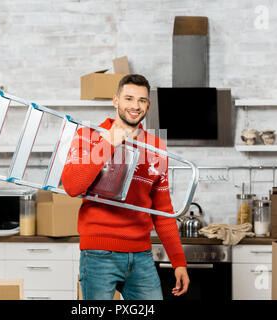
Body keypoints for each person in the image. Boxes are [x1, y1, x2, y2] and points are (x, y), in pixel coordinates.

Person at [61, 74, 189, 300]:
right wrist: (108, 142)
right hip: (98, 253)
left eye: (141, 100)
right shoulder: (88, 135)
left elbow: (163, 211)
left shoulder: (156, 146)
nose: (135, 106)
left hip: (141, 255)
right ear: (116, 101)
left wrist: (178, 262)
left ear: (147, 105)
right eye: (129, 98)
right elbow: (72, 186)